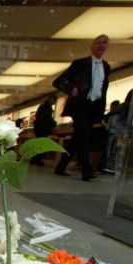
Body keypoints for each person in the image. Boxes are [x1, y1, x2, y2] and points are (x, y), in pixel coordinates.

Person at [53, 34, 111, 181]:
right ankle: (87, 170)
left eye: (104, 43)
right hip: (80, 105)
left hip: (94, 107)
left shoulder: (106, 67)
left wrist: (101, 112)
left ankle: (61, 167)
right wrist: (71, 88)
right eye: (98, 42)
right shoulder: (80, 64)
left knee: (78, 139)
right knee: (84, 137)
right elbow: (58, 81)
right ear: (92, 45)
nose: (101, 45)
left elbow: (103, 90)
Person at [32, 95, 57, 166]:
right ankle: (38, 159)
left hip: (38, 128)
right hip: (42, 128)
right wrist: (54, 124)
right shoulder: (47, 107)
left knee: (39, 144)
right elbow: (48, 118)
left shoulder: (43, 106)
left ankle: (35, 159)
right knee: (43, 144)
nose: (53, 103)